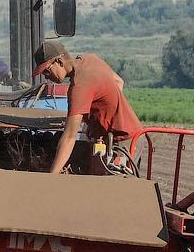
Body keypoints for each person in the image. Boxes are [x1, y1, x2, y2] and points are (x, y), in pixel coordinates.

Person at [33, 41, 144, 174]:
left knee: (114, 190)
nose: (46, 76)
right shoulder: (90, 59)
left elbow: (69, 137)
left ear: (59, 62)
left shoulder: (79, 87)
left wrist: (51, 177)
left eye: (46, 70)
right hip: (128, 136)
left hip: (123, 141)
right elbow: (119, 81)